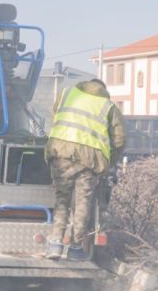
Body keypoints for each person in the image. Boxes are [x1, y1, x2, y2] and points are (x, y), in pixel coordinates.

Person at [45, 79, 125, 262]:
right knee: (82, 203)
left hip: (61, 154)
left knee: (62, 199)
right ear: (103, 90)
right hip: (90, 161)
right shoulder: (108, 106)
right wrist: (107, 163)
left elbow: (56, 119)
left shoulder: (66, 94)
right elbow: (119, 140)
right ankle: (75, 247)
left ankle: (55, 244)